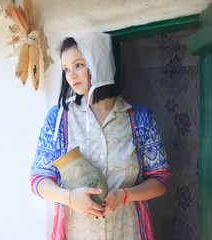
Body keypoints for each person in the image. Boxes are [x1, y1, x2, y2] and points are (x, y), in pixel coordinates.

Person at [30, 32, 171, 240]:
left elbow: (160, 180)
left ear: (99, 62)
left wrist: (124, 195)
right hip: (77, 233)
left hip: (127, 231)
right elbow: (38, 179)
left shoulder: (140, 119)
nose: (71, 76)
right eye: (66, 69)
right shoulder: (59, 119)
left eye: (79, 65)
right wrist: (69, 197)